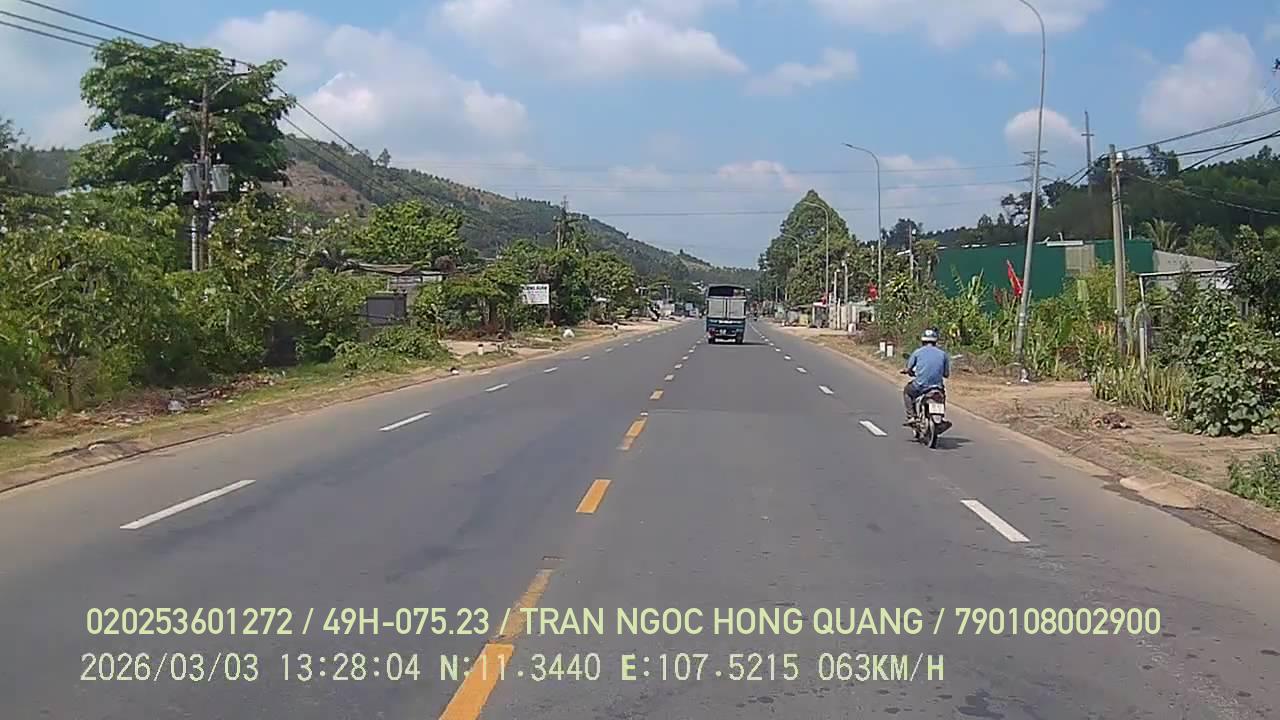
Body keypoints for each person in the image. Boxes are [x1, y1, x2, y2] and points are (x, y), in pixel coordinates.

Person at [903, 328, 950, 425]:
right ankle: (941, 416)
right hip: (937, 387)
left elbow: (908, 368)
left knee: (907, 392)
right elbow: (946, 374)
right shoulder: (943, 354)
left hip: (920, 386)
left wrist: (907, 371)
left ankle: (911, 416)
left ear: (923, 341)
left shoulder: (917, 352)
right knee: (942, 396)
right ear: (935, 341)